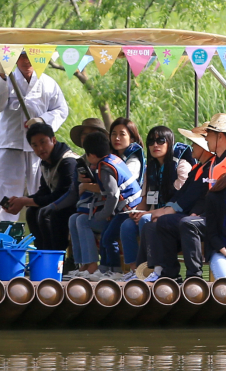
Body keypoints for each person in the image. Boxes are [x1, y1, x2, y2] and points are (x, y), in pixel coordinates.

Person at [146, 114, 226, 281]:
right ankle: (169, 275)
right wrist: (196, 211)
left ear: (219, 136)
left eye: (208, 135)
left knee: (187, 223)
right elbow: (206, 197)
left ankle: (194, 278)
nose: (206, 139)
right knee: (164, 222)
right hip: (211, 218)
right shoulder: (215, 161)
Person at [0, 52, 69, 222]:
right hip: (10, 143)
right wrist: (1, 75)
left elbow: (61, 110)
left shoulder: (48, 83)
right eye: (22, 56)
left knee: (41, 190)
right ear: (15, 58)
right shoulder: (7, 79)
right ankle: (2, 232)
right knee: (4, 192)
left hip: (39, 149)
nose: (27, 61)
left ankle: (42, 230)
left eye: (31, 56)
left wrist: (42, 120)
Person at [118, 126, 192, 271]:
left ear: (169, 142)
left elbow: (184, 200)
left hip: (176, 215)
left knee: (146, 220)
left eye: (160, 140)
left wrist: (148, 214)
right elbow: (145, 201)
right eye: (151, 141)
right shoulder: (151, 168)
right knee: (126, 225)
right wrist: (137, 212)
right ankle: (135, 270)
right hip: (154, 214)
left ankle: (150, 269)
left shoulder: (181, 166)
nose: (155, 145)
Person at [1, 123, 79, 251]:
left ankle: (56, 257)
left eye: (43, 142)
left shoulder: (68, 161)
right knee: (32, 211)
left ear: (53, 140)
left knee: (51, 214)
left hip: (74, 207)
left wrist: (26, 201)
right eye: (35, 145)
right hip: (58, 205)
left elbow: (64, 195)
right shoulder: (46, 162)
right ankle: (41, 253)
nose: (40, 148)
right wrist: (21, 201)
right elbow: (44, 191)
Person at [66, 132, 129, 279]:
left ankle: (92, 265)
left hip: (120, 214)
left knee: (82, 220)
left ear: (91, 154)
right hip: (112, 211)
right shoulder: (111, 160)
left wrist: (104, 214)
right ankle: (82, 265)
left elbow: (112, 194)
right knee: (73, 218)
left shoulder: (105, 166)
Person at [97, 117, 144, 273]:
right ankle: (103, 268)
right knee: (103, 233)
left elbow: (115, 187)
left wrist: (88, 186)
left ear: (132, 137)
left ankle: (115, 270)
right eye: (114, 134)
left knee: (109, 236)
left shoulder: (134, 161)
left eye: (122, 134)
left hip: (131, 208)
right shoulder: (111, 159)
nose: (117, 138)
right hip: (116, 209)